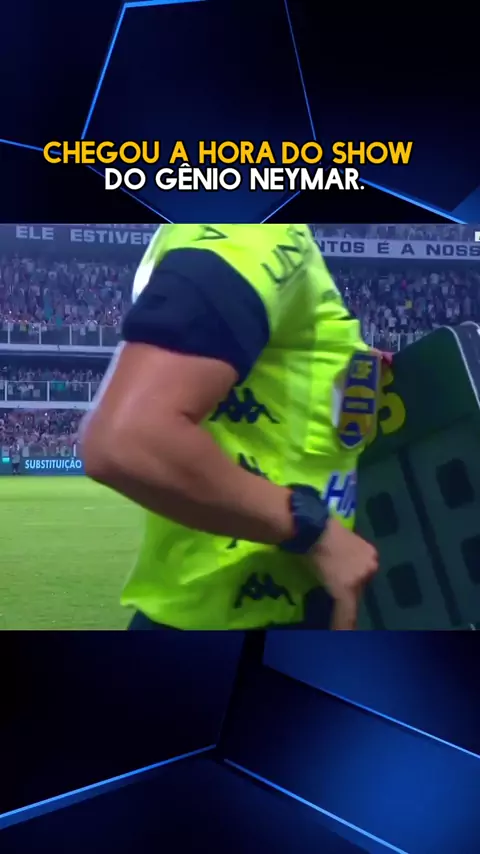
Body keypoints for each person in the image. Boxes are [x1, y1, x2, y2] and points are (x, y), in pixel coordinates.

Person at [81, 224, 379, 631]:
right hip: (247, 614)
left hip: (250, 603)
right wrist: (318, 533)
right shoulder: (252, 232)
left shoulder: (263, 243)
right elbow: (128, 440)